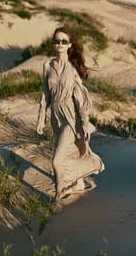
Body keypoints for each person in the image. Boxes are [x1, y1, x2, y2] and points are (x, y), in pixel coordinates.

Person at [36, 26, 105, 211]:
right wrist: (41, 118)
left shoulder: (72, 69)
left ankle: (57, 196)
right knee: (72, 151)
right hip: (55, 115)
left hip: (70, 115)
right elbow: (45, 94)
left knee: (57, 160)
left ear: (69, 45)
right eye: (56, 41)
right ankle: (79, 183)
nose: (59, 44)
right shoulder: (47, 66)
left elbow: (80, 100)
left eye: (63, 41)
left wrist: (83, 124)